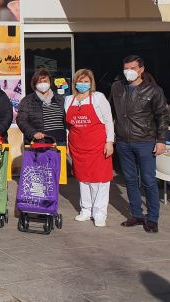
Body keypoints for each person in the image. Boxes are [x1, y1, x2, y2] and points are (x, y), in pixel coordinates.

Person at [109, 55, 167, 233]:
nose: (129, 72)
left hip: (145, 141)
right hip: (123, 142)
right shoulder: (117, 87)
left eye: (133, 68)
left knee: (149, 180)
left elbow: (162, 116)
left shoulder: (153, 91)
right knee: (130, 180)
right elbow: (110, 112)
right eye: (126, 68)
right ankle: (136, 214)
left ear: (141, 69)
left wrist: (161, 140)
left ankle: (152, 218)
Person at [64, 69, 114, 227]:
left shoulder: (98, 98)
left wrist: (110, 142)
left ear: (91, 83)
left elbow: (108, 121)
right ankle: (86, 210)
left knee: (99, 180)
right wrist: (67, 144)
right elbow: (68, 126)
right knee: (83, 179)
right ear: (74, 83)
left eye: (86, 81)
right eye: (80, 81)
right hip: (78, 146)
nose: (83, 84)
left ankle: (99, 213)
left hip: (98, 146)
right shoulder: (68, 100)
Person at [16, 68, 66, 145]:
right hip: (39, 143)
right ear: (35, 84)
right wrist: (33, 133)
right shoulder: (27, 101)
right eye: (39, 82)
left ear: (50, 82)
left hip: (60, 143)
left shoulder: (60, 99)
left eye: (45, 81)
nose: (43, 84)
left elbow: (66, 121)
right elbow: (21, 120)